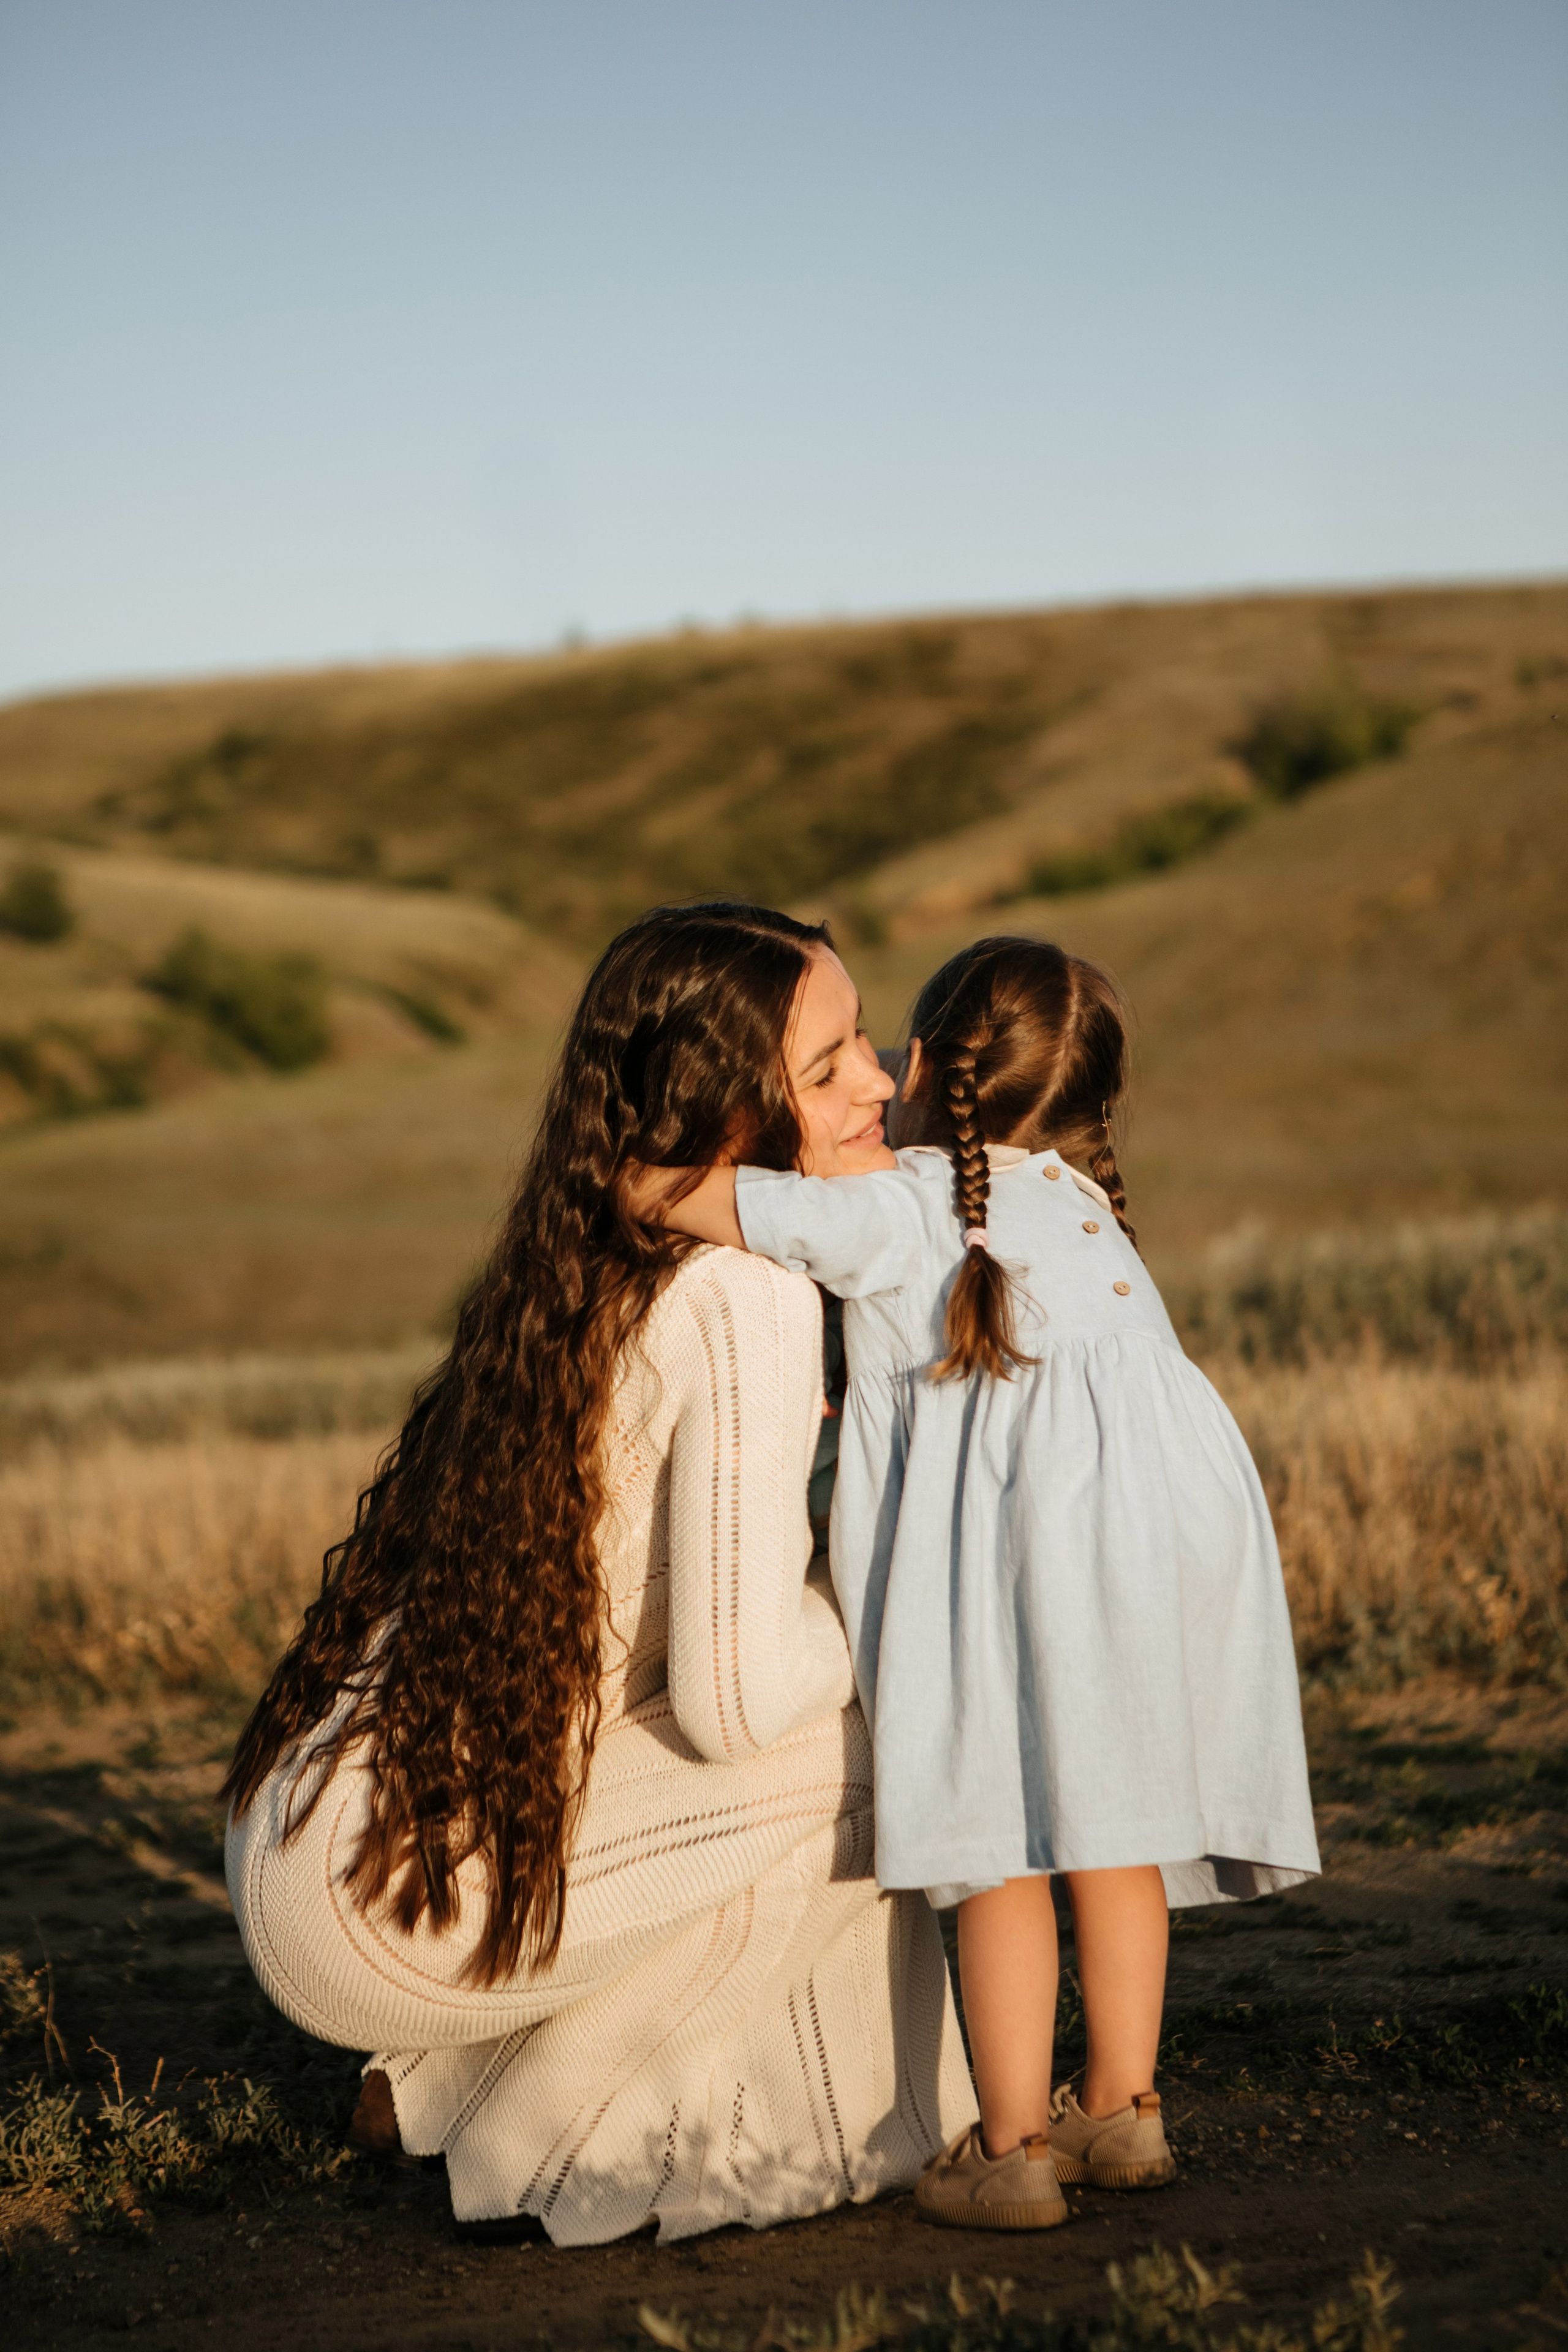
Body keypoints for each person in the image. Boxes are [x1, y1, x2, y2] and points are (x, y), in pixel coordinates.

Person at [221, 902, 976, 2247]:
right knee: (883, 1731)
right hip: (396, 1896)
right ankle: (594, 2131)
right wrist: (903, 1600)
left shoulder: (600, 1259)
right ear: (731, 1117)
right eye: (827, 1068)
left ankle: (445, 2084)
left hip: (317, 1838)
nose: (879, 1082)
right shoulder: (743, 1298)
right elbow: (737, 1704)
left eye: (862, 1039)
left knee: (788, 1732)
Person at [637, 934, 1321, 2233]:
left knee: (997, 1859)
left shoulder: (901, 1199)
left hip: (1002, 1577)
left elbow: (734, 1206)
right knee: (1108, 1836)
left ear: (926, 1065)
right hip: (1156, 1554)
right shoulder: (1079, 1201)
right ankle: (1121, 2114)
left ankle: (1007, 2152)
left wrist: (628, 1175)